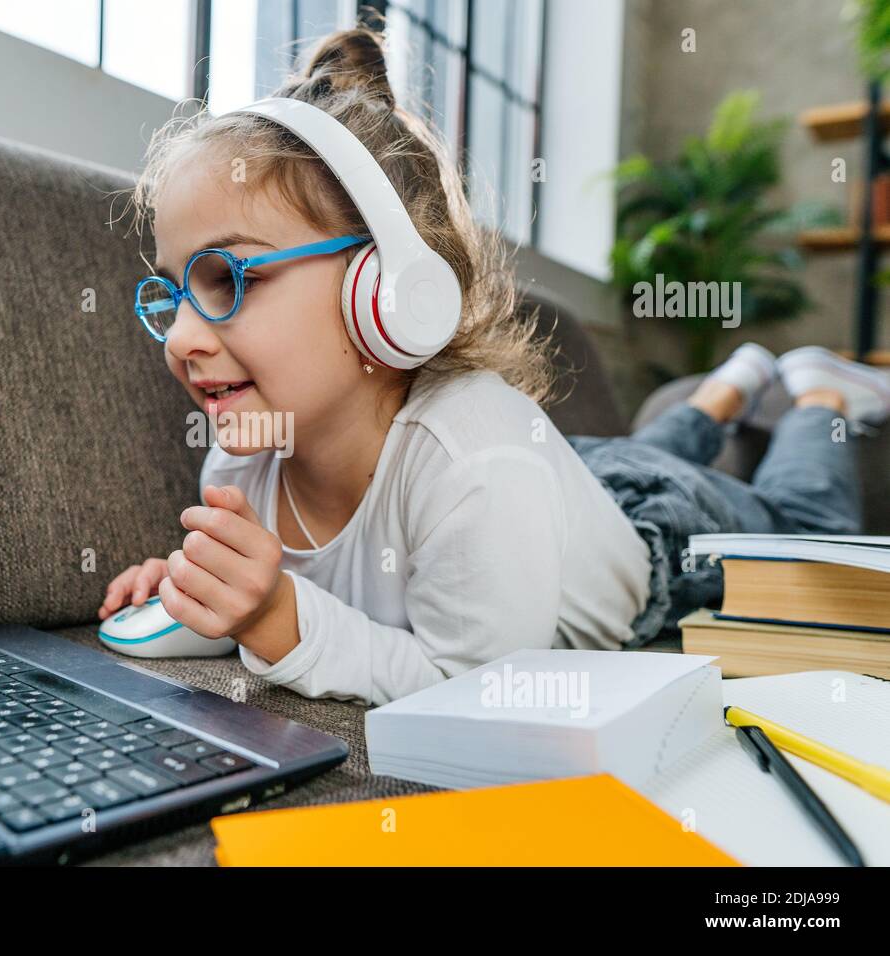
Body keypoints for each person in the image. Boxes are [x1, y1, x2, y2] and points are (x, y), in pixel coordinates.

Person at [98, 27, 889, 707]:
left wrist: (278, 618)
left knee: (809, 533)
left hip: (644, 540)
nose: (180, 338)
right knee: (635, 457)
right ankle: (727, 389)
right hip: (557, 488)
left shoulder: (476, 460)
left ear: (388, 292)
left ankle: (817, 385)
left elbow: (477, 686)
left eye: (229, 278)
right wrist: (203, 587)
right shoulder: (237, 463)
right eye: (172, 292)